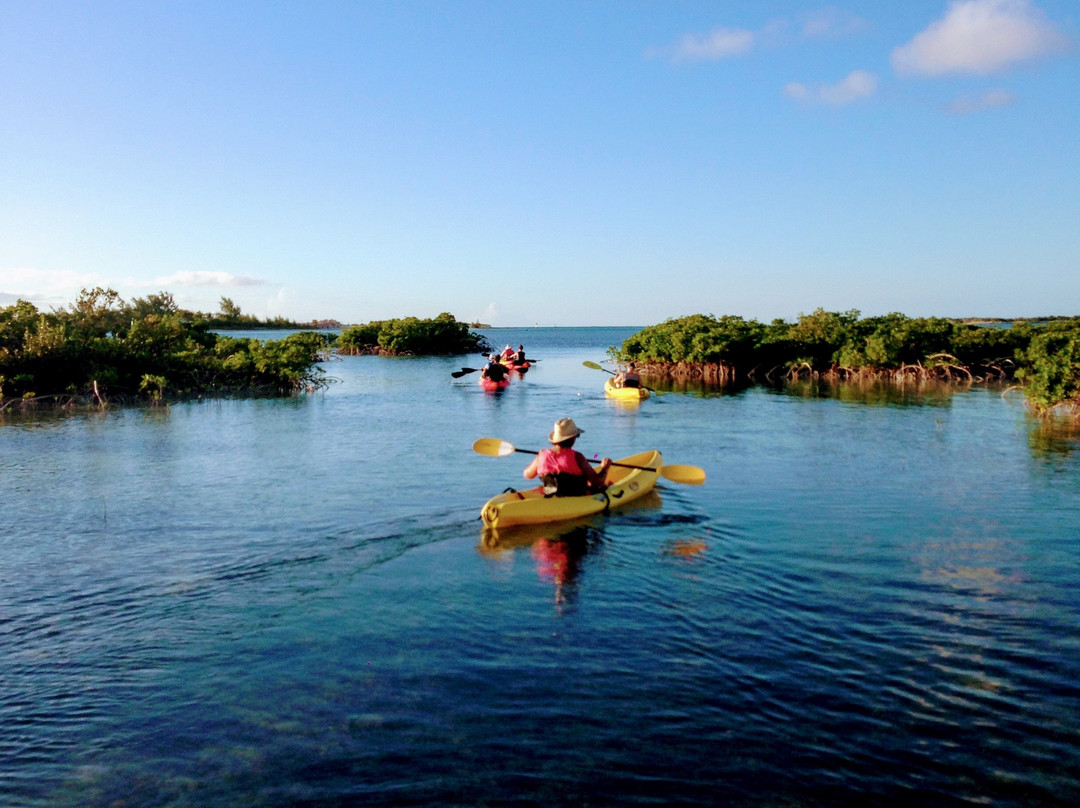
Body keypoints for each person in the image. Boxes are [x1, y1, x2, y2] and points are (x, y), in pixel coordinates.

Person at [523, 418, 612, 497]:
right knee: (603, 486)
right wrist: (605, 468)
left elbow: (527, 475)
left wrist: (540, 458)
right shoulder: (578, 457)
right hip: (578, 499)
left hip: (552, 497)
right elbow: (597, 482)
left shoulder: (542, 454)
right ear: (573, 439)